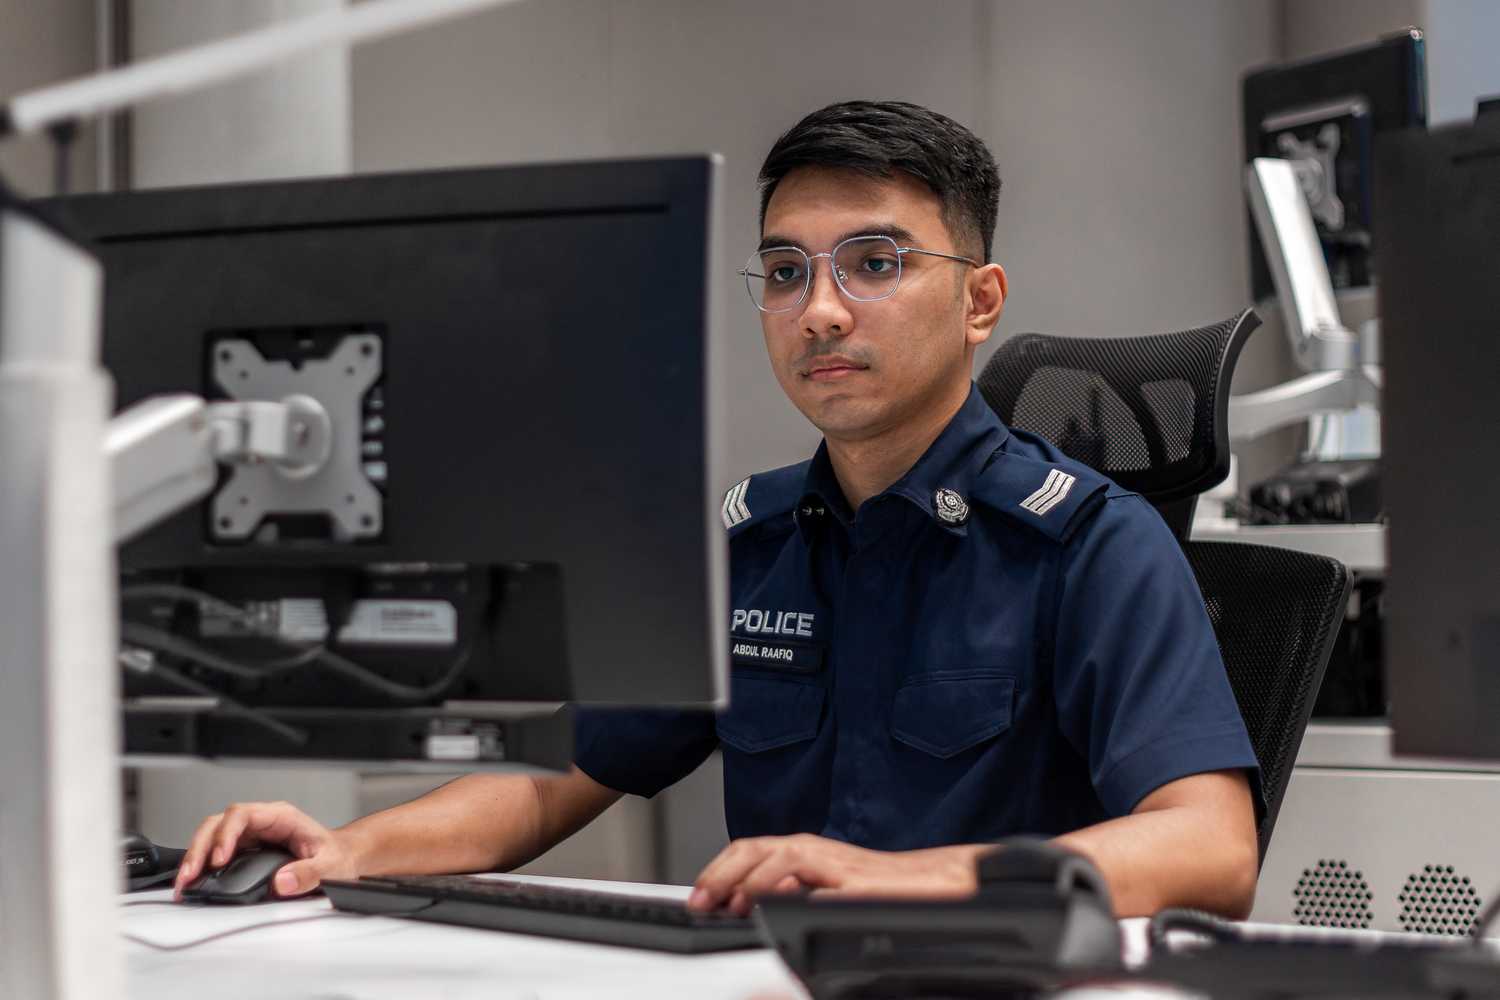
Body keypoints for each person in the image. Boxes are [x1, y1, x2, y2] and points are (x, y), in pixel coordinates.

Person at [175, 101, 1260, 920]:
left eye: (874, 263)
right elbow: (553, 785)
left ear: (980, 301)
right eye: (786, 272)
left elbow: (1212, 848)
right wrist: (344, 847)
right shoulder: (749, 545)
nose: (821, 310)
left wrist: (897, 882)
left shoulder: (1091, 543)